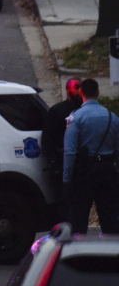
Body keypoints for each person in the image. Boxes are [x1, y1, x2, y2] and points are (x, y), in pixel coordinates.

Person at [63, 78, 119, 234]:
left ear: (81, 93)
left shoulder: (76, 117)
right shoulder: (112, 117)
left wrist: (67, 179)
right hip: (108, 171)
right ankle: (111, 255)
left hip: (84, 173)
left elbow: (70, 151)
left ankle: (77, 254)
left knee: (78, 219)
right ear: (98, 93)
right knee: (110, 220)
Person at [43, 78, 84, 218]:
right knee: (64, 206)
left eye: (81, 87)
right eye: (76, 87)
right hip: (62, 165)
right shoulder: (57, 111)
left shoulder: (85, 111)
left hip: (81, 167)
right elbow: (47, 140)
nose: (79, 91)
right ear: (68, 90)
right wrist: (54, 163)